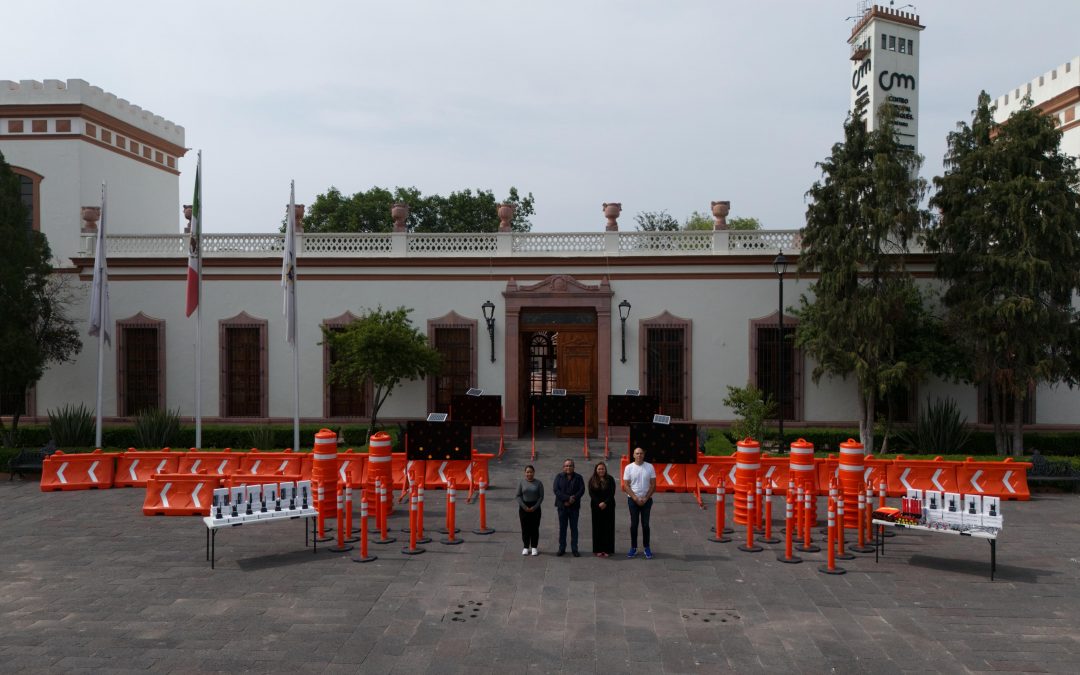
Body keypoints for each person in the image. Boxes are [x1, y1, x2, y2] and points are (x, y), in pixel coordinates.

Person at [621, 446, 656, 559]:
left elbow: (653, 485)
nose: (639, 455)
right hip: (633, 500)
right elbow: (626, 485)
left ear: (644, 455)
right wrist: (635, 498)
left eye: (641, 453)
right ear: (633, 455)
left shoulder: (650, 467)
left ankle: (646, 547)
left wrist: (645, 498)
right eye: (637, 453)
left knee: (645, 525)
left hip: (646, 500)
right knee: (634, 524)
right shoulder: (629, 468)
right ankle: (633, 547)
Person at [552, 458, 585, 557]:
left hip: (574, 507)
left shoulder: (579, 477)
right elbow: (556, 490)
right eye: (566, 466)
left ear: (574, 467)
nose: (568, 467)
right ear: (563, 467)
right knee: (562, 528)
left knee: (574, 528)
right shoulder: (559, 476)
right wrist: (566, 499)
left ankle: (574, 549)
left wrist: (573, 499)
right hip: (562, 507)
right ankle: (562, 548)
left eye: (570, 465)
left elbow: (582, 490)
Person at [588, 462, 616, 557]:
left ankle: (607, 549)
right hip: (596, 507)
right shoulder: (592, 480)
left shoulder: (610, 479)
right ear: (596, 470)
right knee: (597, 528)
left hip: (609, 506)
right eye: (599, 469)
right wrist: (599, 503)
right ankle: (598, 549)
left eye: (603, 469)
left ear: (605, 470)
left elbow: (612, 492)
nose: (601, 470)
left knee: (608, 527)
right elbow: (591, 493)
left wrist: (605, 502)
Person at [516, 465, 543, 556]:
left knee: (535, 527)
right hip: (524, 508)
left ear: (534, 472)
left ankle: (534, 547)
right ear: (525, 473)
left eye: (531, 472)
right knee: (525, 528)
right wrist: (524, 507)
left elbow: (541, 497)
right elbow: (518, 496)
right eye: (527, 472)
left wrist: (534, 507)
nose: (529, 474)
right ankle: (526, 547)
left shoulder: (539, 483)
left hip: (535, 507)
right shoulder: (521, 483)